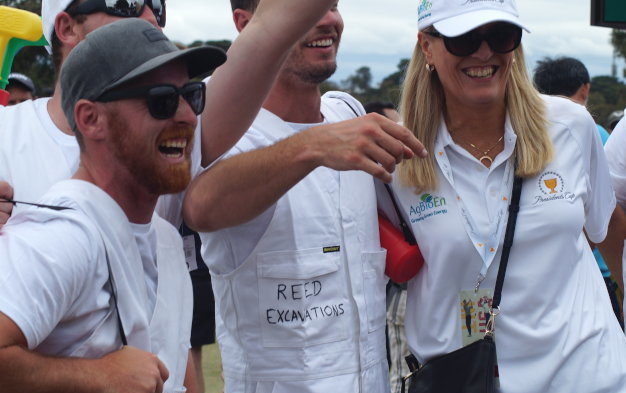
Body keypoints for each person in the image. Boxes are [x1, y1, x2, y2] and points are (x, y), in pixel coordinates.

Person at [380, 0, 626, 391]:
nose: (483, 51)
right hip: (465, 376)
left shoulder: (570, 126)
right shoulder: (397, 156)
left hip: (585, 373)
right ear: (426, 46)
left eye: (500, 36)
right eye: (462, 38)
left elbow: (605, 223)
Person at [182, 1, 426, 392]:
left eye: (332, 6)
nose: (327, 20)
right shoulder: (218, 134)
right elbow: (201, 206)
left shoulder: (347, 112)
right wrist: (311, 146)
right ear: (245, 26)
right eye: (303, 9)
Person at [0, 18, 226, 392]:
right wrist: (95, 376)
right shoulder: (62, 237)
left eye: (192, 94)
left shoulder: (166, 241)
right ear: (91, 119)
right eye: (162, 101)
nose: (187, 115)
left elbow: (173, 359)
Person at [533, 55, 624, 327]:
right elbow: (610, 212)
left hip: (542, 279)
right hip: (600, 271)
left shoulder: (521, 133)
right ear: (584, 88)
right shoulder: (593, 130)